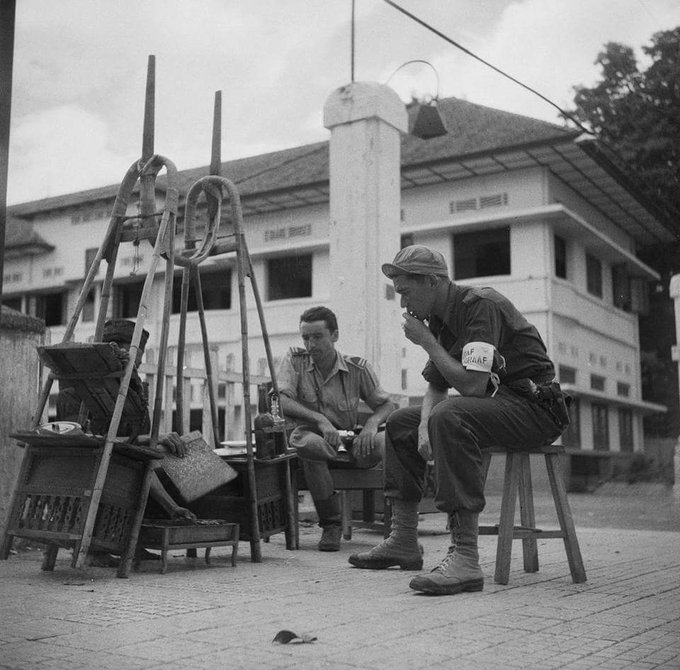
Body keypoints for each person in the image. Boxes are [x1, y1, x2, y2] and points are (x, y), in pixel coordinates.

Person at [348, 245, 570, 595]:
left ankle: (466, 557)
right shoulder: (439, 319)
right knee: (402, 422)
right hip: (501, 405)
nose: (404, 305)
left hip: (536, 408)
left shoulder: (480, 305)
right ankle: (404, 538)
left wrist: (427, 343)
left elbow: (472, 385)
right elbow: (437, 385)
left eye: (407, 292)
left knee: (451, 415)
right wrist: (422, 426)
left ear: (433, 281)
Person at [56, 319, 196, 565]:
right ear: (113, 351)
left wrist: (159, 441)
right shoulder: (78, 387)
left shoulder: (133, 390)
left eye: (139, 363)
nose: (136, 369)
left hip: (127, 461)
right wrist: (151, 440)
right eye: (135, 362)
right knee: (135, 463)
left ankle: (146, 535)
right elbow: (86, 438)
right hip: (87, 465)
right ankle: (96, 550)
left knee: (186, 458)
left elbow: (139, 443)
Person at [276, 306, 395, 552]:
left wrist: (371, 425)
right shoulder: (294, 361)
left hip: (350, 443)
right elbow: (282, 401)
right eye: (306, 338)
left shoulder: (356, 368)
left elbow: (386, 404)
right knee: (309, 445)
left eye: (317, 337)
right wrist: (320, 420)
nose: (310, 344)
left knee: (387, 440)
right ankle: (331, 526)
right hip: (312, 440)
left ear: (335, 335)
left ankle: (399, 528)